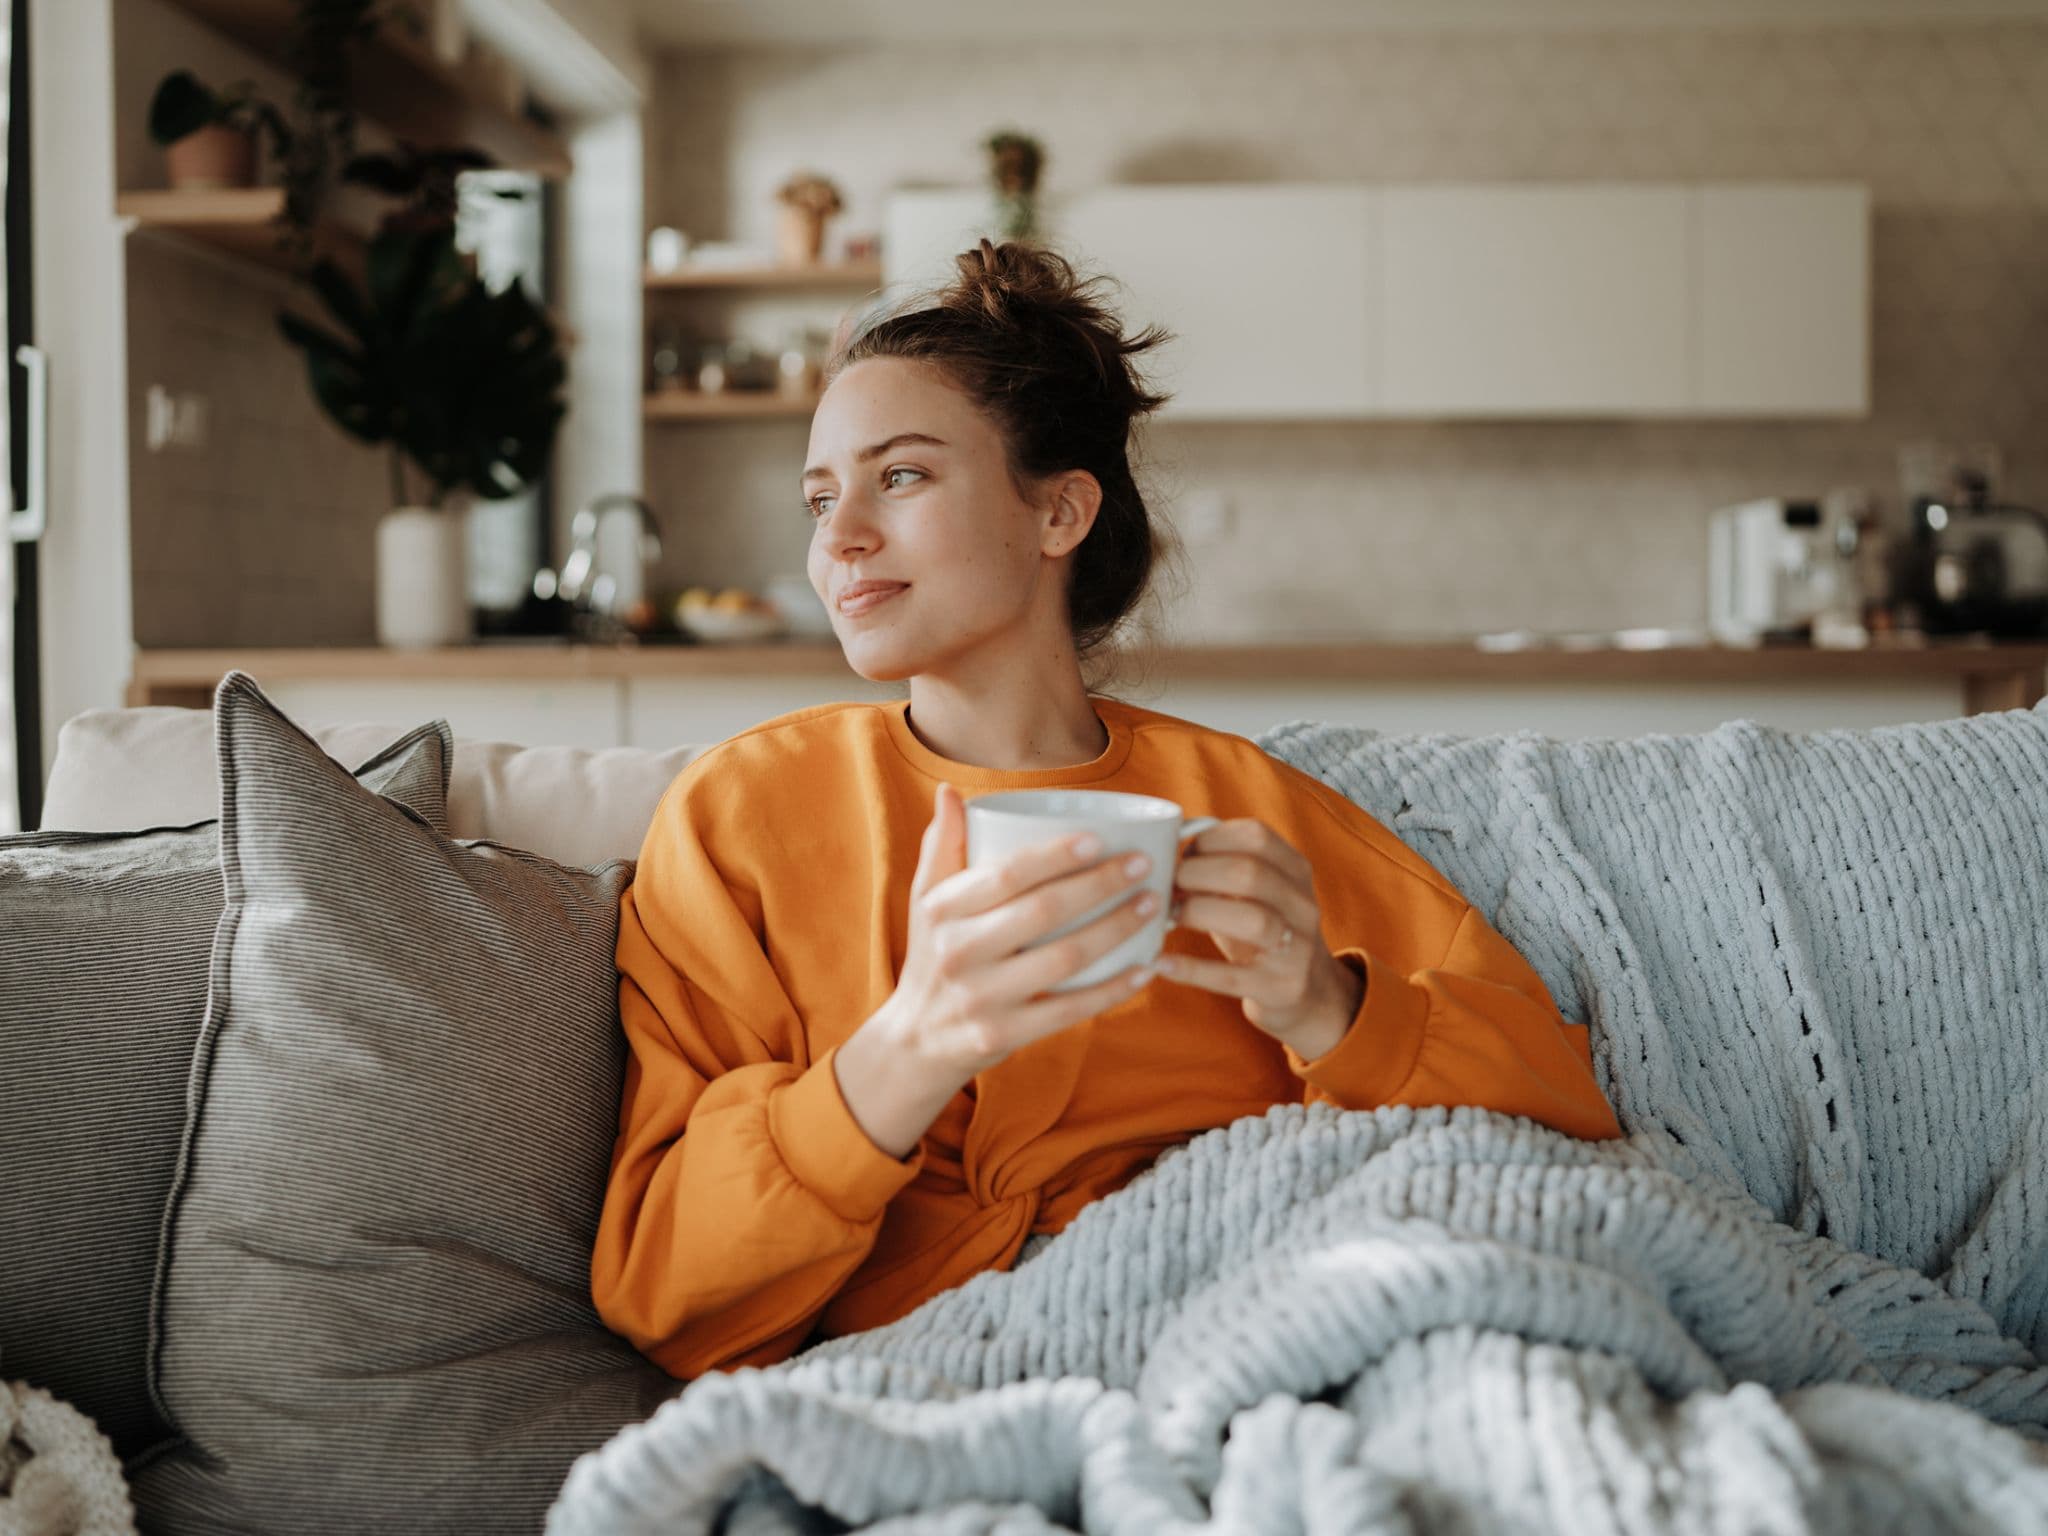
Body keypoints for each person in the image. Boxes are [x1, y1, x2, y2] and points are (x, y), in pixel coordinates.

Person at [590, 239, 1623, 1381]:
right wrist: (909, 1047)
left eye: (901, 477)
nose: (836, 539)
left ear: (1058, 513)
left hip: (1256, 1345)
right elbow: (666, 1298)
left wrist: (1333, 1010)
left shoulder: (1241, 809)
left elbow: (1561, 1117)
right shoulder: (741, 816)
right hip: (924, 1390)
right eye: (821, 496)